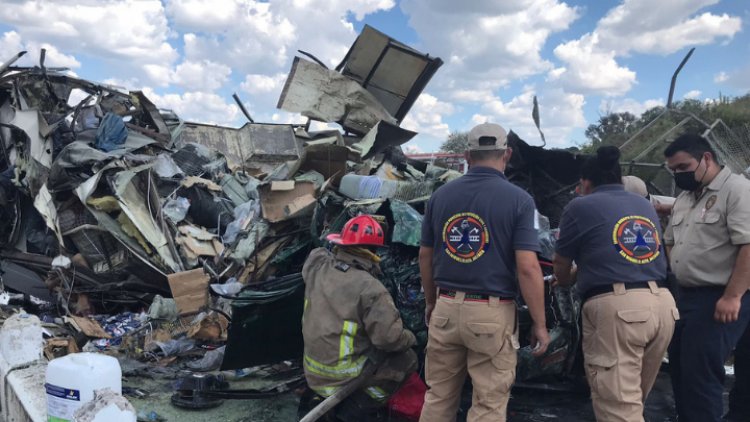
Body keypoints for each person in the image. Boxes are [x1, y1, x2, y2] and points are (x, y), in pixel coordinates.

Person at [418, 122, 551, 422]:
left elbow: (425, 256)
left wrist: (430, 302)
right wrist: (540, 324)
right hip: (492, 314)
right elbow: (528, 267)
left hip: (446, 307)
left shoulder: (440, 197)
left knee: (438, 396)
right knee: (488, 403)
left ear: (467, 155)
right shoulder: (520, 200)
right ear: (507, 154)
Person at [553, 146, 678, 422]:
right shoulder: (643, 205)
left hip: (620, 312)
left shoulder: (579, 206)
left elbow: (561, 264)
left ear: (585, 182)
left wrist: (562, 282)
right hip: (662, 306)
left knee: (618, 408)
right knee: (633, 401)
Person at [663, 133, 750, 422]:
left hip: (721, 296)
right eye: (673, 170)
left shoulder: (736, 190)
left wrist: (733, 296)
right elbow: (670, 240)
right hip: (685, 296)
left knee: (701, 375)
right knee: (680, 369)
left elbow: (748, 245)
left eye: (683, 167)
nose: (678, 175)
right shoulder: (685, 198)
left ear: (706, 158)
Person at [301, 215, 418, 419]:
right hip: (344, 378)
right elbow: (388, 339)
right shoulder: (371, 289)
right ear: (373, 251)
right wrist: (411, 337)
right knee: (407, 359)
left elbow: (319, 250)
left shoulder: (317, 266)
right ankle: (356, 409)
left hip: (312, 371)